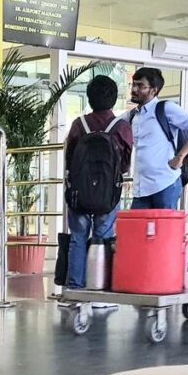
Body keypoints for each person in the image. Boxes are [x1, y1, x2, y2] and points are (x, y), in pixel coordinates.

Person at [63, 74, 134, 290]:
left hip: (79, 192)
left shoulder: (79, 124)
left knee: (77, 237)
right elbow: (125, 163)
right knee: (103, 238)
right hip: (108, 194)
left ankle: (74, 289)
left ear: (89, 98)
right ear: (113, 99)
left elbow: (69, 158)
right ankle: (99, 290)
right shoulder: (121, 127)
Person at [128, 67, 188, 210]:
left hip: (165, 184)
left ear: (154, 90)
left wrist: (180, 156)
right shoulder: (135, 115)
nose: (134, 89)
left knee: (164, 231)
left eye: (140, 86)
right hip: (141, 188)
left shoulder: (165, 108)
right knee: (138, 231)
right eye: (133, 84)